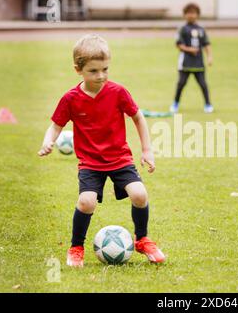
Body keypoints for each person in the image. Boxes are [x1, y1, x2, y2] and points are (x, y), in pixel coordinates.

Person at [38, 34, 165, 267]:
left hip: (120, 158)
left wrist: (147, 150)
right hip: (90, 163)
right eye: (93, 71)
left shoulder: (118, 92)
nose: (101, 76)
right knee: (86, 202)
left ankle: (142, 239)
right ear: (78, 70)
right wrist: (48, 141)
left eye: (105, 69)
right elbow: (56, 125)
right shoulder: (70, 99)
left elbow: (138, 117)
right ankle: (76, 247)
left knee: (140, 194)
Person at [170, 2, 214, 113]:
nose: (191, 15)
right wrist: (190, 50)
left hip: (198, 63)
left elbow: (206, 44)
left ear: (197, 15)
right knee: (181, 84)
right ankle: (175, 104)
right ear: (184, 15)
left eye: (193, 13)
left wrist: (209, 57)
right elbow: (179, 45)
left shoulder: (201, 29)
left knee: (203, 84)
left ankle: (208, 104)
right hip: (185, 63)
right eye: (188, 13)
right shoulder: (182, 29)